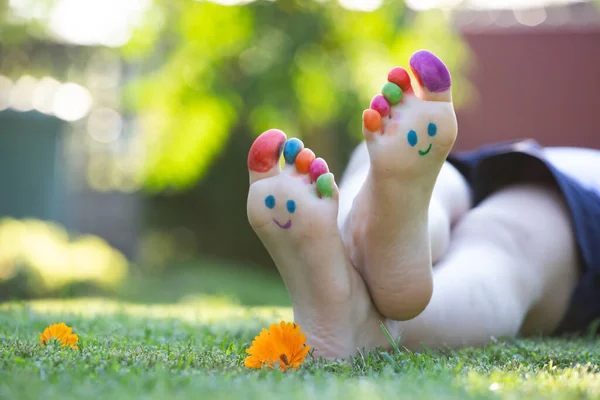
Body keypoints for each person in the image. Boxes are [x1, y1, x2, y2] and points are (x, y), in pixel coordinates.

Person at [245, 50, 600, 360]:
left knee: (497, 237)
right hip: (505, 170)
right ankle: (364, 238)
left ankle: (359, 272)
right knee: (484, 231)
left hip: (572, 193)